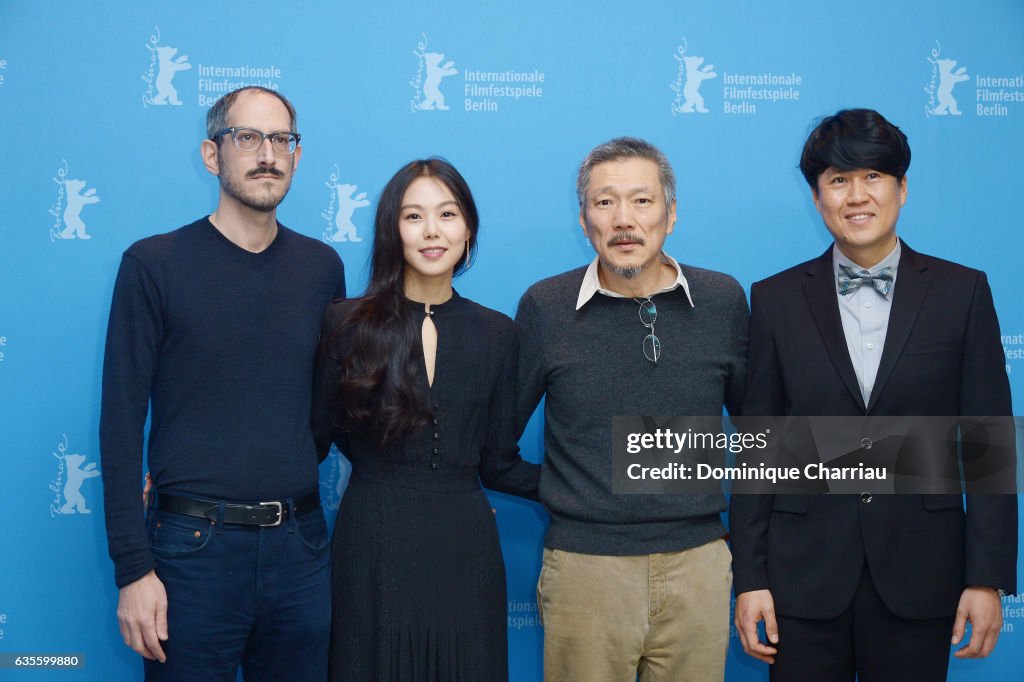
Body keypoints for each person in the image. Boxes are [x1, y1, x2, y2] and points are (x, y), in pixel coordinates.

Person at [730, 108, 1018, 681]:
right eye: (838, 180)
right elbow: (759, 447)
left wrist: (985, 577)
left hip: (921, 570)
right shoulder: (776, 299)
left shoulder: (962, 292)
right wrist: (751, 577)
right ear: (817, 198)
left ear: (902, 187)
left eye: (872, 177)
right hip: (803, 577)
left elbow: (988, 445)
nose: (856, 195)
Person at [100, 86, 345, 681]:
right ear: (213, 155)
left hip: (301, 550)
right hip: (191, 554)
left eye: (282, 139)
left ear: (297, 155)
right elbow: (120, 422)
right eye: (248, 137)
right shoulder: (153, 265)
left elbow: (323, 410)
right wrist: (134, 569)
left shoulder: (323, 269)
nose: (268, 154)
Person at [514, 137, 748, 681]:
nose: (624, 220)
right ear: (583, 219)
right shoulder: (545, 308)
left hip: (700, 567)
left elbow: (763, 432)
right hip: (585, 572)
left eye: (642, 201)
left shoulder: (722, 301)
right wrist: (577, 488)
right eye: (605, 202)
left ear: (671, 214)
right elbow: (493, 446)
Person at [313, 158, 540, 682]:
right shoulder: (347, 323)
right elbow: (314, 435)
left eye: (448, 214)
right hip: (372, 539)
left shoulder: (498, 334)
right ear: (392, 229)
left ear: (468, 228)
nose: (433, 231)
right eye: (414, 216)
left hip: (464, 548)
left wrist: (602, 491)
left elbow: (499, 464)